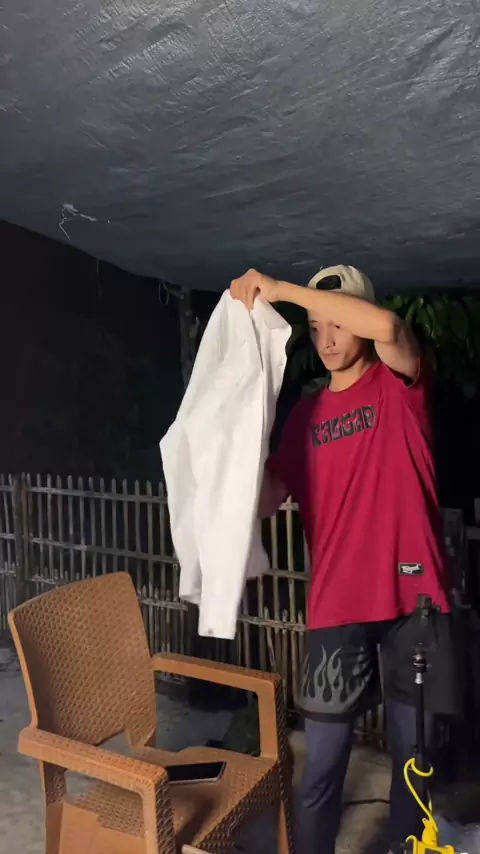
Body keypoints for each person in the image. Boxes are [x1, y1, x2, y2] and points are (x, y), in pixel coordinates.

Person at [230, 265, 459, 854]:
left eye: (336, 322)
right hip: (337, 604)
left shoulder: (400, 384)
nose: (325, 338)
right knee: (322, 770)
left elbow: (387, 327)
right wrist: (224, 457)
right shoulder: (305, 416)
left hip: (414, 603)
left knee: (414, 763)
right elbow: (266, 498)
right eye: (314, 327)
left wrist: (281, 292)